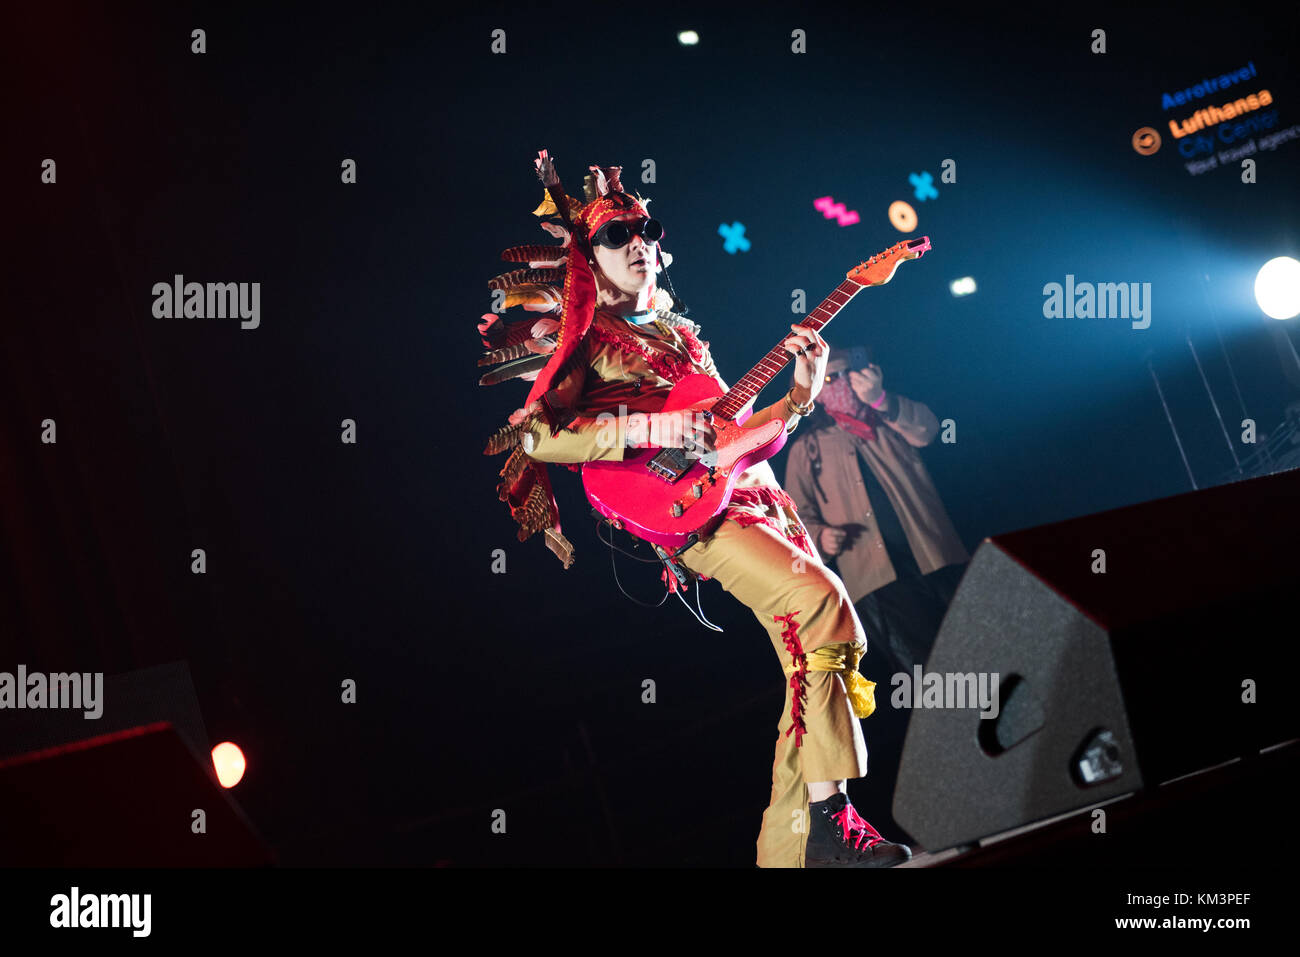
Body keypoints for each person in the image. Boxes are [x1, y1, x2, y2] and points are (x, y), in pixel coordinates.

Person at [479, 151, 910, 867]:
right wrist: (648, 429)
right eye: (617, 235)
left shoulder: (682, 338)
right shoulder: (588, 340)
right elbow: (536, 433)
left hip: (755, 494)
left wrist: (803, 392)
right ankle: (829, 820)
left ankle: (791, 847)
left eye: (646, 227)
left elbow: (733, 437)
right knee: (820, 604)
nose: (638, 239)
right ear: (588, 261)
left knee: (819, 643)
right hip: (691, 511)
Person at [783, 346, 969, 675]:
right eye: (828, 378)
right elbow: (794, 520)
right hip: (876, 580)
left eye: (845, 374)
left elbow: (927, 430)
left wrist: (881, 399)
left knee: (977, 642)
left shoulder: (888, 418)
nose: (839, 384)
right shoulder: (806, 448)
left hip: (935, 557)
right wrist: (821, 536)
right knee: (928, 670)